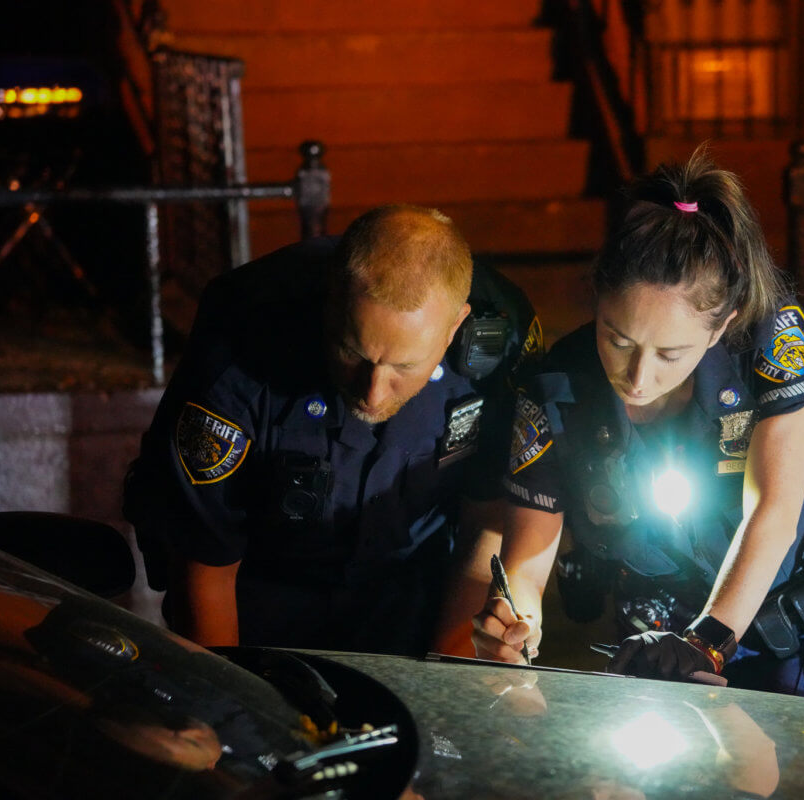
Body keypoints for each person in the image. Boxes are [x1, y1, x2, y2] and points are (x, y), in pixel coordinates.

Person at [470, 150, 804, 703]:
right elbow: (527, 557)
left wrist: (709, 640)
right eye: (617, 340)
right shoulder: (555, 387)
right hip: (663, 634)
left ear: (721, 329)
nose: (638, 376)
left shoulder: (770, 341)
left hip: (799, 619)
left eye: (671, 352)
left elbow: (774, 512)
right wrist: (513, 621)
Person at [124, 204, 541, 656]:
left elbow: (487, 520)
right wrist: (230, 709)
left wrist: (449, 694)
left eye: (404, 366)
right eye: (353, 351)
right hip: (260, 598)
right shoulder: (244, 338)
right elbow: (206, 563)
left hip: (413, 595)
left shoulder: (499, 340)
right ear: (331, 302)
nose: (374, 393)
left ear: (454, 325)